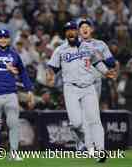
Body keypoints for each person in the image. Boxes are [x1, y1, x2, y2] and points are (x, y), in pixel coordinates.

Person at [46, 21, 117, 163]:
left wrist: (106, 72)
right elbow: (52, 68)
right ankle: (87, 145)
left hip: (88, 87)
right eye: (67, 30)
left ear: (77, 32)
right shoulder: (60, 50)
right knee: (77, 123)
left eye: (72, 29)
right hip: (70, 88)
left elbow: (97, 62)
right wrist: (50, 76)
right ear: (65, 33)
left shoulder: (89, 47)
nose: (70, 32)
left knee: (94, 120)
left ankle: (100, 151)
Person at [0, 29, 34, 161]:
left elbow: (23, 73)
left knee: (13, 124)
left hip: (11, 94)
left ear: (9, 39)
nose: (3, 39)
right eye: (0, 37)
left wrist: (29, 90)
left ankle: (14, 152)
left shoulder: (14, 54)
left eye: (5, 37)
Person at [78, 18, 119, 153]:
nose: (84, 28)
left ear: (91, 29)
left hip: (95, 82)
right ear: (79, 30)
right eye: (82, 27)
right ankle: (86, 145)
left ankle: (89, 146)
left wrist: (102, 57)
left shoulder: (100, 44)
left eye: (87, 26)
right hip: (79, 83)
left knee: (92, 114)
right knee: (81, 115)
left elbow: (112, 62)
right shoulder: (75, 45)